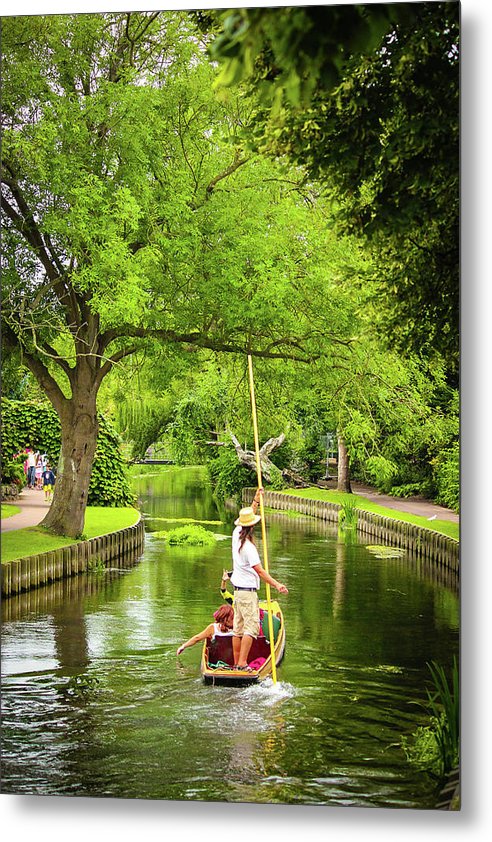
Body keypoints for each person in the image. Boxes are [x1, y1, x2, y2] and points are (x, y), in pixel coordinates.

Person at [230, 488, 288, 671]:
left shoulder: (235, 535)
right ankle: (242, 663)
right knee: (251, 629)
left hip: (237, 593)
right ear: (253, 526)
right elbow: (261, 572)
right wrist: (277, 585)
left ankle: (236, 663)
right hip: (247, 594)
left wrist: (255, 501)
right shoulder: (249, 548)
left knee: (237, 630)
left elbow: (249, 516)